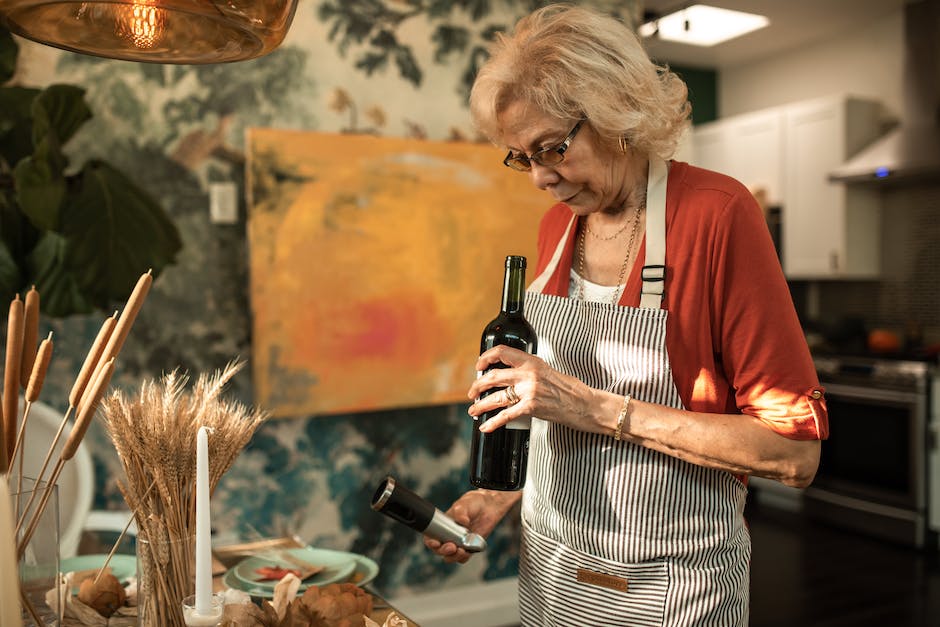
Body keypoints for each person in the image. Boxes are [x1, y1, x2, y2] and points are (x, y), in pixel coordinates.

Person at [424, 4, 828, 626]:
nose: (538, 178)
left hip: (674, 588)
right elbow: (555, 412)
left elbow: (793, 456)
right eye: (521, 157)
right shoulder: (558, 228)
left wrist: (593, 407)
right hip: (552, 572)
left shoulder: (717, 215)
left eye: (551, 148)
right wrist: (505, 491)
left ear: (616, 112)